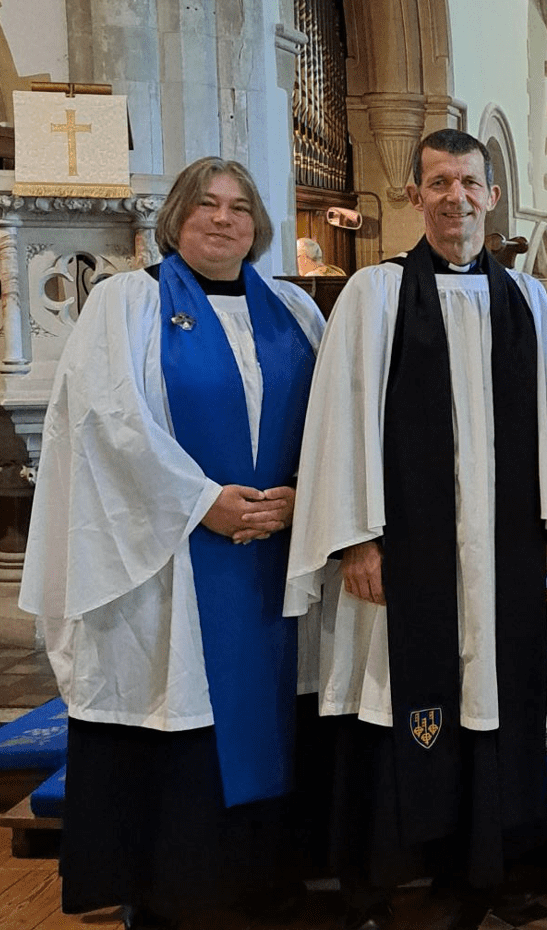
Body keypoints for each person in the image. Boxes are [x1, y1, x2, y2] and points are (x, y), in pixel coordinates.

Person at [283, 128, 547, 930]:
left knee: (494, 695)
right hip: (402, 556)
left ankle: (487, 866)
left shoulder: (523, 301)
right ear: (416, 196)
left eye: (470, 183)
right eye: (439, 182)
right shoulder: (375, 296)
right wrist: (355, 537)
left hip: (498, 556)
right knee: (395, 696)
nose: (456, 197)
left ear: (492, 196)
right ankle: (389, 873)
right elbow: (341, 422)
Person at [19, 157, 324, 930]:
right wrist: (201, 502)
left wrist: (303, 494)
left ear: (258, 224)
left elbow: (334, 420)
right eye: (206, 205)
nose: (223, 219)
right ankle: (173, 890)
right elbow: (107, 422)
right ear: (176, 218)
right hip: (174, 562)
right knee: (179, 703)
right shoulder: (129, 303)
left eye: (239, 208)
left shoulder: (294, 310)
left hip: (275, 552)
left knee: (280, 707)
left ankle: (269, 879)